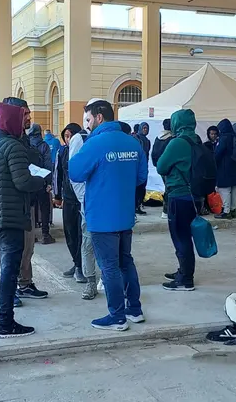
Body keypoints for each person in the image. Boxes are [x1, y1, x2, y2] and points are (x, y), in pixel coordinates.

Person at [70, 100, 148, 331]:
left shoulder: (95, 144)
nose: (87, 124)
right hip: (124, 213)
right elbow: (141, 177)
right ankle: (134, 309)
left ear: (99, 117)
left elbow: (75, 172)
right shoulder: (132, 142)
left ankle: (117, 316)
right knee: (126, 261)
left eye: (88, 119)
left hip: (102, 216)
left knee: (109, 266)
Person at [0, 102, 46, 338]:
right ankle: (6, 323)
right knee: (9, 271)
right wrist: (42, 181)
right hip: (10, 218)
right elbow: (23, 182)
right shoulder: (12, 146)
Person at [1, 97, 50, 304]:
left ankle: (25, 283)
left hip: (27, 202)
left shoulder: (24, 140)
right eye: (25, 113)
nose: (29, 117)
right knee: (12, 251)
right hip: (11, 206)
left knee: (27, 247)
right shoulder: (6, 143)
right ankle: (10, 290)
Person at [156, 109, 202, 291]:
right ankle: (184, 271)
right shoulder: (196, 140)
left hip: (179, 195)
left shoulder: (177, 143)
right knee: (186, 236)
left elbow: (161, 166)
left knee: (180, 236)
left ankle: (185, 279)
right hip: (195, 196)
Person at [69, 104, 101, 300]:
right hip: (89, 204)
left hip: (107, 204)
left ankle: (106, 278)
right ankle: (90, 281)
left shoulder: (109, 140)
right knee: (88, 243)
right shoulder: (80, 139)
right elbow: (75, 175)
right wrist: (84, 200)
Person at [54, 123, 87, 284]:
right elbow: (57, 174)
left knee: (82, 234)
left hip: (82, 199)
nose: (68, 139)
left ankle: (82, 266)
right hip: (68, 198)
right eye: (65, 136)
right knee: (70, 233)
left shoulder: (84, 150)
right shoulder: (62, 151)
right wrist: (57, 195)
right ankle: (76, 263)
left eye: (70, 136)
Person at [27, 123, 55, 244]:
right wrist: (49, 182)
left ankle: (30, 235)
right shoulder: (44, 146)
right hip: (42, 180)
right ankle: (45, 234)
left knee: (30, 208)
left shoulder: (26, 145)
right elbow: (48, 164)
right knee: (44, 208)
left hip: (29, 181)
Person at [214, 119, 236, 219]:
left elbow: (218, 153)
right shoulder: (235, 137)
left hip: (224, 168)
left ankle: (226, 211)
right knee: (234, 189)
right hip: (235, 167)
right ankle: (233, 210)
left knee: (224, 189)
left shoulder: (224, 137)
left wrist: (214, 162)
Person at [151, 118, 174, 220]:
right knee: (169, 189)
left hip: (160, 166)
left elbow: (153, 153)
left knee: (167, 188)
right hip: (169, 167)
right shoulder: (172, 139)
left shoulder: (158, 138)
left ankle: (166, 210)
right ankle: (166, 210)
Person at [133, 123, 151, 215]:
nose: (145, 130)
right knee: (137, 188)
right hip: (137, 167)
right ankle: (135, 206)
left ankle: (139, 205)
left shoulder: (147, 140)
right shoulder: (136, 138)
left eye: (146, 128)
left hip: (144, 167)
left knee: (142, 188)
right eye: (143, 128)